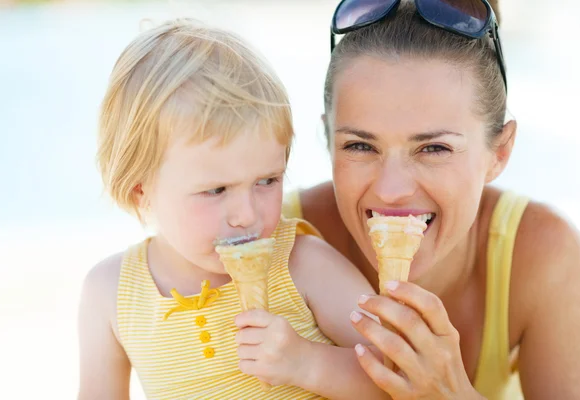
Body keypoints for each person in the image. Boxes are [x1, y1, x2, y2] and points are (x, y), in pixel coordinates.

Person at [283, 0, 580, 399]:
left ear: (499, 152)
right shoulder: (269, 243)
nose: (391, 190)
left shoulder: (542, 257)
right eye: (360, 145)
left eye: (434, 149)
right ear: (328, 142)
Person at [77, 19, 388, 400]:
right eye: (215, 190)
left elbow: (398, 378)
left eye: (267, 181)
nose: (246, 214)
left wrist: (308, 363)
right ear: (141, 191)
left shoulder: (303, 266)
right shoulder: (111, 293)